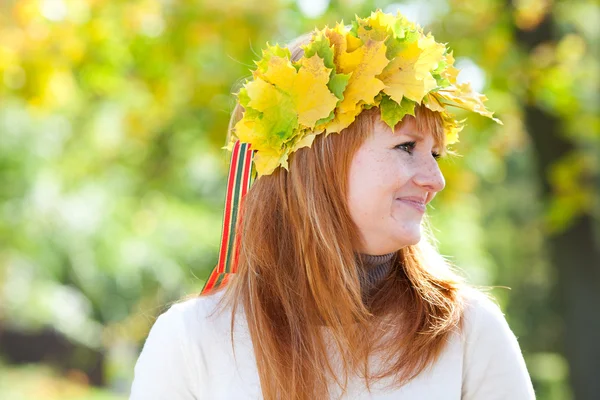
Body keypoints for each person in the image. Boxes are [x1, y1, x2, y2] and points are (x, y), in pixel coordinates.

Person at [129, 10, 535, 400]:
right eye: (407, 146)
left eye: (436, 154)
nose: (435, 179)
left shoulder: (467, 334)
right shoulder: (192, 342)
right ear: (316, 159)